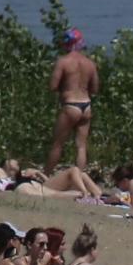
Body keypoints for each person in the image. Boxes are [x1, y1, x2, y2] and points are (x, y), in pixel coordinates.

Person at [48, 30, 99, 169]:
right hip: (86, 105)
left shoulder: (63, 62)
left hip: (70, 104)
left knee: (58, 144)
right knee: (81, 146)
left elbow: (53, 86)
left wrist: (65, 89)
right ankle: (80, 178)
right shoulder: (90, 63)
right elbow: (95, 89)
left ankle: (45, 177)